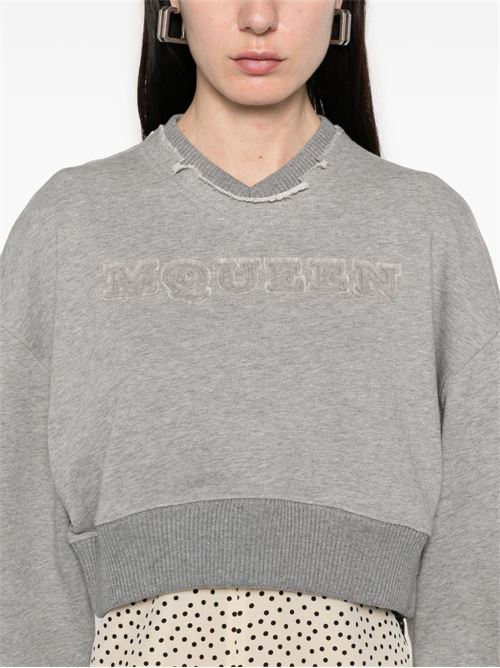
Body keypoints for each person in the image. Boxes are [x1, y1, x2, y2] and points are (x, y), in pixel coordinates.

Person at [1, 1, 498, 666]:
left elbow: (475, 545)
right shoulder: (70, 224)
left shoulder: (427, 228)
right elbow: (20, 544)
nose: (258, 16)